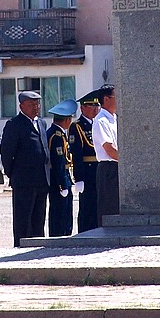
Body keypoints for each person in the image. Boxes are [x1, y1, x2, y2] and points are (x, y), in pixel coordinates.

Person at [0, 91, 50, 247]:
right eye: (31, 105)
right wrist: (12, 173)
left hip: (41, 179)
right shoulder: (14, 124)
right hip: (24, 180)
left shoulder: (41, 123)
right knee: (23, 219)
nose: (35, 108)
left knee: (39, 218)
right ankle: (20, 247)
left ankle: (37, 246)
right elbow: (7, 153)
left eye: (37, 104)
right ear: (21, 106)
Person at [67, 90, 101, 232]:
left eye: (97, 106)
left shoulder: (97, 124)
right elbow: (77, 153)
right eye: (91, 106)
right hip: (87, 171)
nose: (95, 109)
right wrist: (79, 177)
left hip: (98, 169)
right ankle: (85, 231)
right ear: (83, 108)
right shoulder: (77, 126)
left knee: (98, 204)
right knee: (87, 205)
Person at [47, 99, 77, 237]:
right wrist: (62, 185)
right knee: (60, 211)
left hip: (63, 176)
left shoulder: (58, 133)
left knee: (65, 210)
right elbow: (58, 161)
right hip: (58, 178)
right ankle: (60, 235)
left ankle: (64, 233)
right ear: (66, 120)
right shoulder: (56, 136)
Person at [92, 84, 118, 227]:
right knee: (109, 205)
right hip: (109, 168)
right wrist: (127, 163)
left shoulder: (115, 119)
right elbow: (109, 149)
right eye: (116, 96)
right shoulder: (101, 121)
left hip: (118, 166)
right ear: (106, 99)